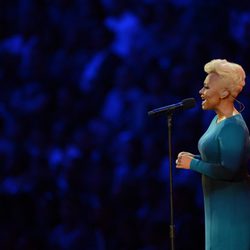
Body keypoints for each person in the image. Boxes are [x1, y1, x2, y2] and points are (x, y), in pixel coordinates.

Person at [175, 59, 250, 250]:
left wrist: (192, 165)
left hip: (231, 208)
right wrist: (195, 158)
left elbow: (229, 171)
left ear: (224, 92)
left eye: (206, 87)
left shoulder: (233, 127)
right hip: (216, 203)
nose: (201, 92)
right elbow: (216, 160)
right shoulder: (218, 120)